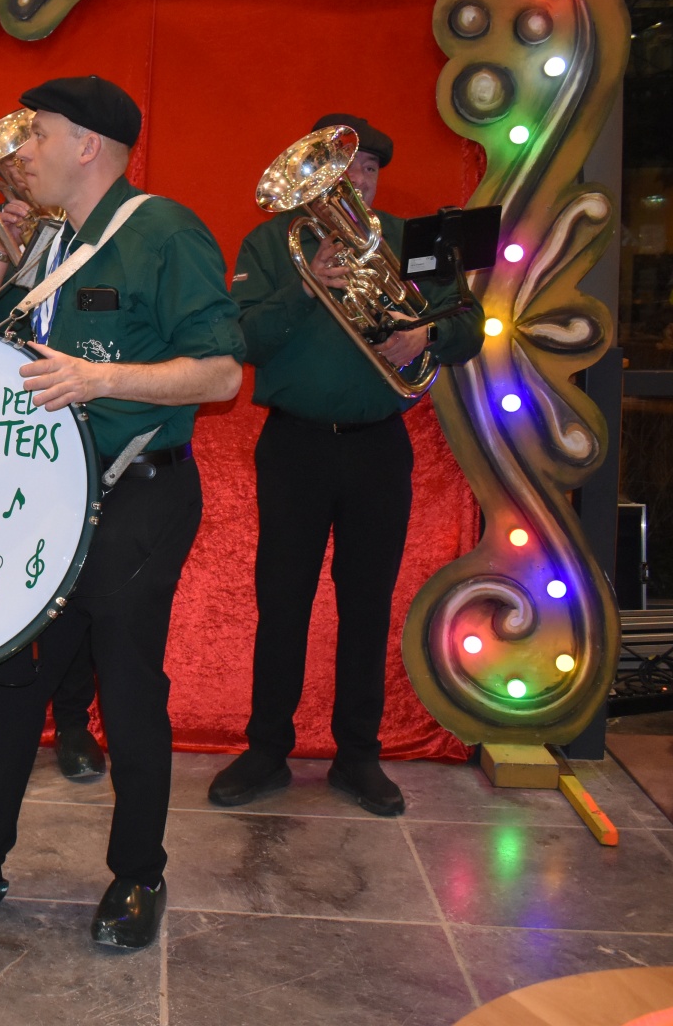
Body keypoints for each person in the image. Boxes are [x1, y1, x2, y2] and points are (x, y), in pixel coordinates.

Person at [0, 76, 244, 951]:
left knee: (129, 688)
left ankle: (138, 876)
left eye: (37, 134)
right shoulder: (50, 243)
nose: (22, 150)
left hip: (140, 491)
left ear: (88, 146)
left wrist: (98, 377)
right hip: (50, 499)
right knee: (11, 677)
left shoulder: (164, 231)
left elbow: (222, 372)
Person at [207, 113, 485, 817]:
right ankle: (267, 749)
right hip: (294, 447)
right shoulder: (276, 243)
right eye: (339, 167)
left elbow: (470, 325)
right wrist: (307, 288)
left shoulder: (410, 241)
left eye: (365, 168)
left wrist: (424, 333)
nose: (354, 181)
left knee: (367, 604)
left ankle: (357, 756)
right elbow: (242, 339)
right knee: (282, 601)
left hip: (377, 448)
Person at [0, 138, 104, 782]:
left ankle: (74, 723)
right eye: (9, 163)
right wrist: (2, 250)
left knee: (76, 578)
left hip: (71, 418)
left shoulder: (91, 231)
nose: (20, 170)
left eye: (26, 156)